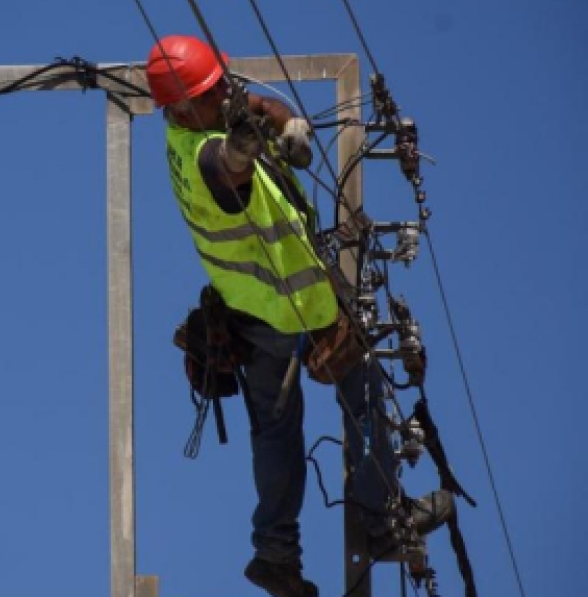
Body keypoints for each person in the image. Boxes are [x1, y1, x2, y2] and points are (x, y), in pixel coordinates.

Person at [145, 35, 454, 597]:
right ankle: (384, 524)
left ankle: (275, 555)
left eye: (221, 84)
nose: (223, 94)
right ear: (180, 108)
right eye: (210, 91)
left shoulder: (204, 116)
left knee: (276, 436)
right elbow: (227, 169)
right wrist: (246, 146)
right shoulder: (198, 155)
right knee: (362, 399)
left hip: (257, 315)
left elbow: (252, 109)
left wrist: (282, 123)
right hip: (297, 311)